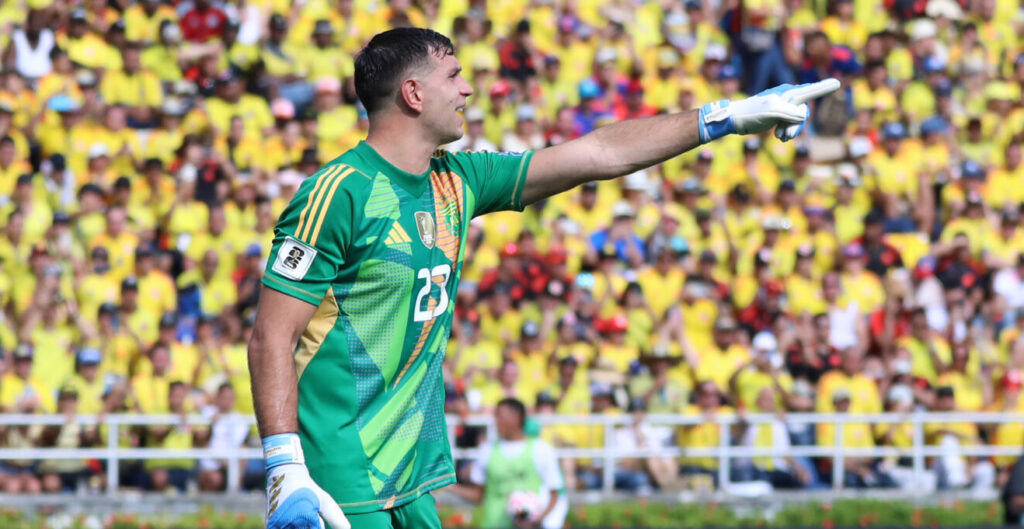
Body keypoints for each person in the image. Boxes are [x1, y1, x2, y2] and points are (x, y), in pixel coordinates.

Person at [248, 27, 838, 529]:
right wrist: (284, 467)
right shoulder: (339, 192)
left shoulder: (458, 179)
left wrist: (723, 118)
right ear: (411, 92)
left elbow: (600, 155)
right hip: (342, 473)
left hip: (413, 472)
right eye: (453, 75)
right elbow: (271, 336)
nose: (468, 89)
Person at [451, 398, 567, 529]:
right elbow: (478, 495)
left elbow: (555, 494)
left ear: (517, 418)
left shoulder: (541, 449)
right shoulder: (486, 450)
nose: (496, 420)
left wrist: (536, 521)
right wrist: (449, 487)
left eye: (500, 415)